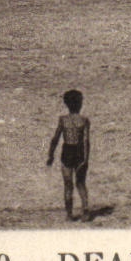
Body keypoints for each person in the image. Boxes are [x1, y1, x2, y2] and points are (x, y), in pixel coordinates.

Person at [46, 89, 91, 221]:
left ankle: (69, 214)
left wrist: (51, 155)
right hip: (79, 152)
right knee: (81, 183)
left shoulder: (63, 120)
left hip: (67, 151)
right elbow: (86, 141)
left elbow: (55, 138)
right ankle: (85, 211)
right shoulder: (84, 120)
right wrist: (86, 158)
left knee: (68, 184)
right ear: (80, 103)